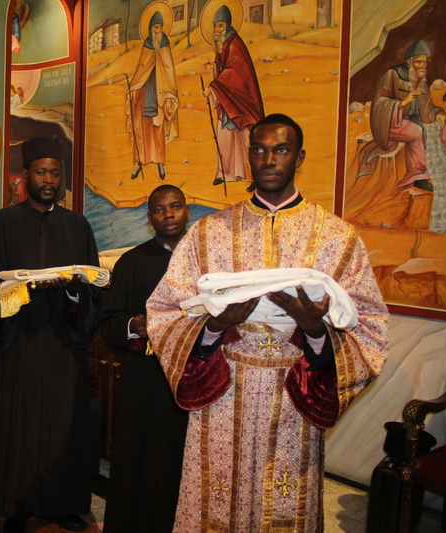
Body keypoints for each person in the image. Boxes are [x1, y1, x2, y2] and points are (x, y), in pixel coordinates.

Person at [146, 114, 389, 532]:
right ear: (248, 155)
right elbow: (166, 310)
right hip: (224, 396)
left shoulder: (337, 237)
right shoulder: (208, 233)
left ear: (299, 157)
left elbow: (371, 327)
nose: (268, 159)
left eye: (281, 150)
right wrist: (216, 326)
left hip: (292, 398)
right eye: (258, 149)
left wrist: (315, 331)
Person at [0, 137, 102, 533]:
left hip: (62, 344)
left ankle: (63, 505)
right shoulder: (2, 223)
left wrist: (71, 289)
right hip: (19, 343)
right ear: (25, 175)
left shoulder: (78, 226)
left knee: (63, 424)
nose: (48, 180)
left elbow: (92, 287)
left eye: (55, 173)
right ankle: (14, 507)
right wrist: (24, 290)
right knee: (17, 424)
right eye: (41, 172)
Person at [101, 184, 190, 533]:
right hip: (146, 379)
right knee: (143, 460)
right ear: (149, 217)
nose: (168, 215)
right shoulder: (132, 262)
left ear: (187, 210)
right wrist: (132, 325)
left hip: (195, 377)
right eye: (158, 209)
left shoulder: (208, 259)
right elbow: (109, 324)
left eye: (175, 206)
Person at [357, 40, 446, 192]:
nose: (422, 66)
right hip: (390, 121)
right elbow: (380, 102)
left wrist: (437, 112)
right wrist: (402, 103)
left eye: (425, 62)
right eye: (418, 62)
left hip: (414, 120)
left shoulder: (422, 78)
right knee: (417, 132)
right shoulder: (393, 74)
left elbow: (427, 105)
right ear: (410, 62)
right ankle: (418, 176)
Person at [203, 5, 264, 188]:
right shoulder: (222, 44)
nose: (217, 29)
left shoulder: (235, 42)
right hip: (227, 99)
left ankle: (253, 177)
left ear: (228, 26)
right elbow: (223, 67)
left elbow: (236, 70)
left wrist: (212, 88)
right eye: (215, 26)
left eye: (220, 26)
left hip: (241, 101)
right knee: (225, 137)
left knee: (245, 139)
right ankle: (225, 173)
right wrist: (213, 68)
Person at [126, 7, 179, 181]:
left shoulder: (164, 45)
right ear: (150, 30)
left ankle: (160, 163)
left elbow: (169, 70)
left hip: (160, 95)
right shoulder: (147, 45)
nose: (158, 31)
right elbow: (141, 69)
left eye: (160, 28)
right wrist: (133, 88)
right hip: (144, 94)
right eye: (156, 28)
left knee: (158, 130)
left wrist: (169, 92)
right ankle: (140, 162)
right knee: (141, 130)